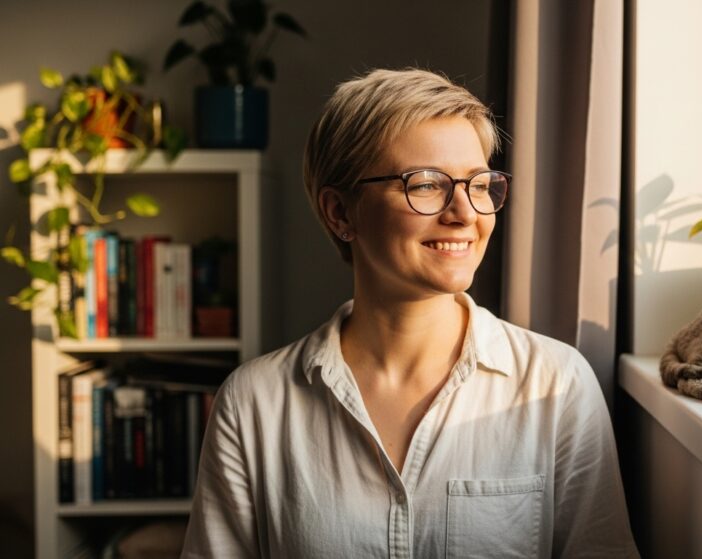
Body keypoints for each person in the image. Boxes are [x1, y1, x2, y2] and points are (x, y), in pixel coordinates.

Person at [181, 68, 638, 558]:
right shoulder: (254, 404)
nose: (465, 213)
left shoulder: (556, 385)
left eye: (479, 184)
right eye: (425, 185)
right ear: (340, 212)